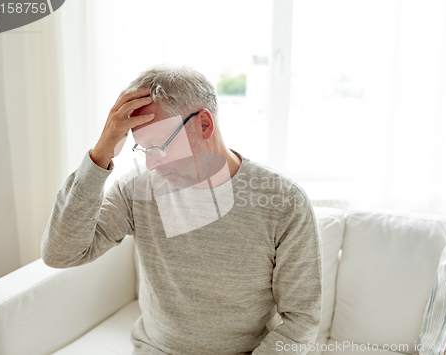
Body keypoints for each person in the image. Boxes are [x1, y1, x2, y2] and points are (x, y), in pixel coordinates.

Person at [41, 65, 323, 355]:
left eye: (158, 145)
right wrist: (101, 153)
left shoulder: (283, 201)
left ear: (203, 124)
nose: (151, 164)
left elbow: (301, 320)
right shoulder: (136, 191)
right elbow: (60, 254)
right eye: (143, 149)